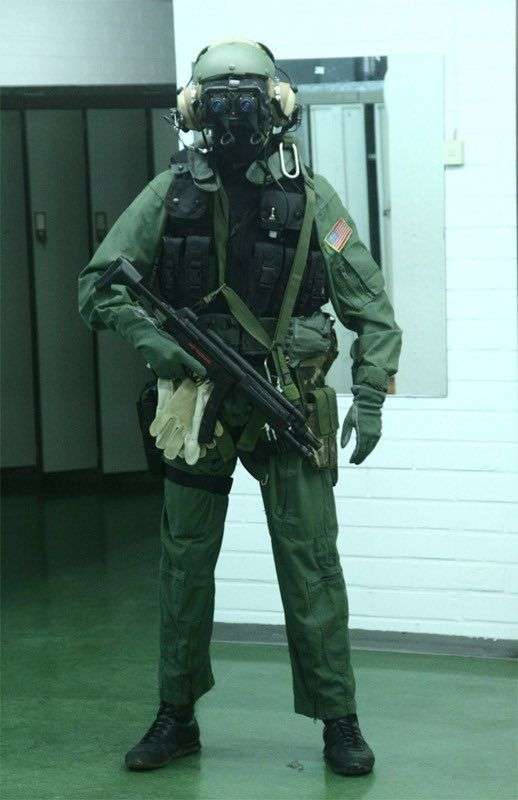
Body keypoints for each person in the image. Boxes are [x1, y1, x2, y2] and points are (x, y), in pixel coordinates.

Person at [78, 38, 402, 777]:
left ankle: (340, 719)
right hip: (196, 405)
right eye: (218, 99)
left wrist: (372, 393)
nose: (232, 115)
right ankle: (176, 715)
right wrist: (156, 343)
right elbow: (98, 286)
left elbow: (372, 309)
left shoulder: (312, 198)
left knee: (311, 564)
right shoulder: (169, 195)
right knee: (183, 565)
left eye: (246, 98)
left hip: (287, 401)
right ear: (195, 107)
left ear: (277, 103)